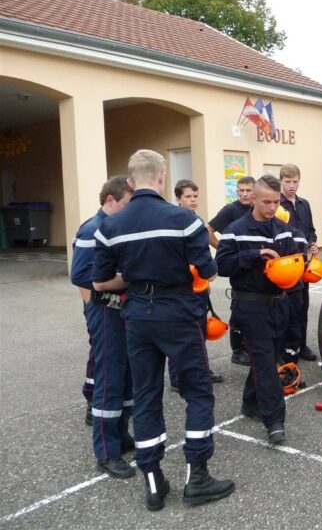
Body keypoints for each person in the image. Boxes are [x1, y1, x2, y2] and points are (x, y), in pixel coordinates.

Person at [92, 150, 234, 511]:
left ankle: (153, 482)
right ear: (161, 177)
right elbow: (208, 270)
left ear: (130, 180)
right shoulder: (183, 219)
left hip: (136, 315)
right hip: (179, 314)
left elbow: (100, 281)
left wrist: (137, 275)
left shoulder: (110, 225)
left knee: (146, 395)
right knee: (198, 393)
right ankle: (197, 476)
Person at [215, 175, 306, 445]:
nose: (271, 206)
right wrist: (255, 255)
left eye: (276, 202)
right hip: (250, 305)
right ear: (252, 199)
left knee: (268, 356)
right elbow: (222, 266)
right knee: (267, 362)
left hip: (280, 303)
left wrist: (300, 258)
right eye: (266, 201)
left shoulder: (283, 228)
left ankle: (250, 402)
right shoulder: (234, 229)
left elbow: (293, 259)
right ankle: (274, 420)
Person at [71, 175, 135, 479]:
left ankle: (120, 436)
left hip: (122, 311)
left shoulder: (117, 226)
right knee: (109, 380)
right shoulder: (92, 229)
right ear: (110, 200)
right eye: (125, 204)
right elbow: (81, 276)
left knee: (126, 378)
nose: (128, 210)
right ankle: (106, 452)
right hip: (106, 311)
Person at [170, 179, 223, 385]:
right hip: (182, 286)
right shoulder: (174, 220)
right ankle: (177, 378)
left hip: (199, 284)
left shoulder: (198, 219)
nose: (192, 200)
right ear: (178, 199)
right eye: (187, 197)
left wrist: (206, 282)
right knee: (179, 332)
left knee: (200, 331)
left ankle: (202, 371)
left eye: (195, 196)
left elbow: (202, 252)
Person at [207, 175, 255, 366]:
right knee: (239, 308)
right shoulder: (230, 210)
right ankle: (238, 350)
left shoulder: (258, 209)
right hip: (238, 266)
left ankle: (253, 346)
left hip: (256, 264)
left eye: (248, 190)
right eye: (241, 190)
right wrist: (223, 248)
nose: (244, 194)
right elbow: (208, 230)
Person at [279, 164, 318, 362]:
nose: (291, 186)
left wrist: (312, 242)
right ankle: (286, 347)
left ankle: (302, 345)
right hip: (285, 265)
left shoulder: (304, 204)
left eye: (295, 181)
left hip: (303, 263)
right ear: (281, 182)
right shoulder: (277, 205)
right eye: (287, 182)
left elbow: (311, 229)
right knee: (287, 307)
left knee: (302, 306)